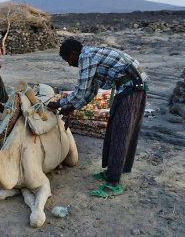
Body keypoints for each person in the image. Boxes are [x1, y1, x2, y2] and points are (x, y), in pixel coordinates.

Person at [47, 39, 148, 198]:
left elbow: (80, 90)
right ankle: (112, 172)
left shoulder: (86, 57)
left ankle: (113, 183)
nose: (69, 64)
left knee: (121, 134)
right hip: (126, 88)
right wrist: (72, 107)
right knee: (113, 130)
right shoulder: (91, 57)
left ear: (74, 54)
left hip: (132, 88)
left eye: (67, 60)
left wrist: (59, 103)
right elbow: (91, 91)